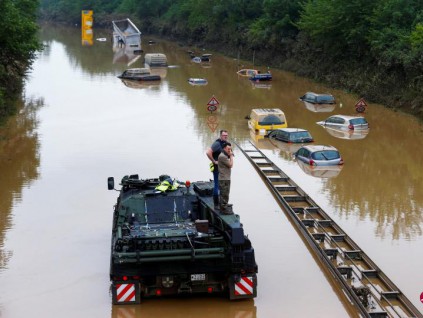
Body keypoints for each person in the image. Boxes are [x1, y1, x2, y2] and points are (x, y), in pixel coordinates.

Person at [206, 130, 229, 204]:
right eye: (224, 135)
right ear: (220, 136)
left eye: (226, 135)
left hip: (223, 168)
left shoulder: (224, 143)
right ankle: (216, 203)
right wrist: (214, 161)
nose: (225, 136)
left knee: (221, 185)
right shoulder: (217, 143)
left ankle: (219, 201)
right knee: (217, 184)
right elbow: (208, 152)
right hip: (217, 168)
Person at [218, 142, 234, 214]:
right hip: (224, 178)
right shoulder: (222, 156)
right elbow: (230, 165)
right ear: (224, 148)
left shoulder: (224, 155)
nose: (229, 151)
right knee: (224, 194)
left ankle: (224, 205)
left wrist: (229, 154)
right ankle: (224, 209)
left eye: (230, 149)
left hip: (225, 178)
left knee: (226, 193)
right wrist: (231, 156)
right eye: (228, 149)